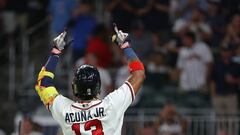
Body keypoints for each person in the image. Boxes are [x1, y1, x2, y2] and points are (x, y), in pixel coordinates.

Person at [35, 25, 145, 135]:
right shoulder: (112, 105)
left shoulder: (64, 110)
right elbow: (139, 74)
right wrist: (125, 46)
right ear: (99, 88)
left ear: (74, 88)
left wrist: (55, 52)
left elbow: (43, 84)